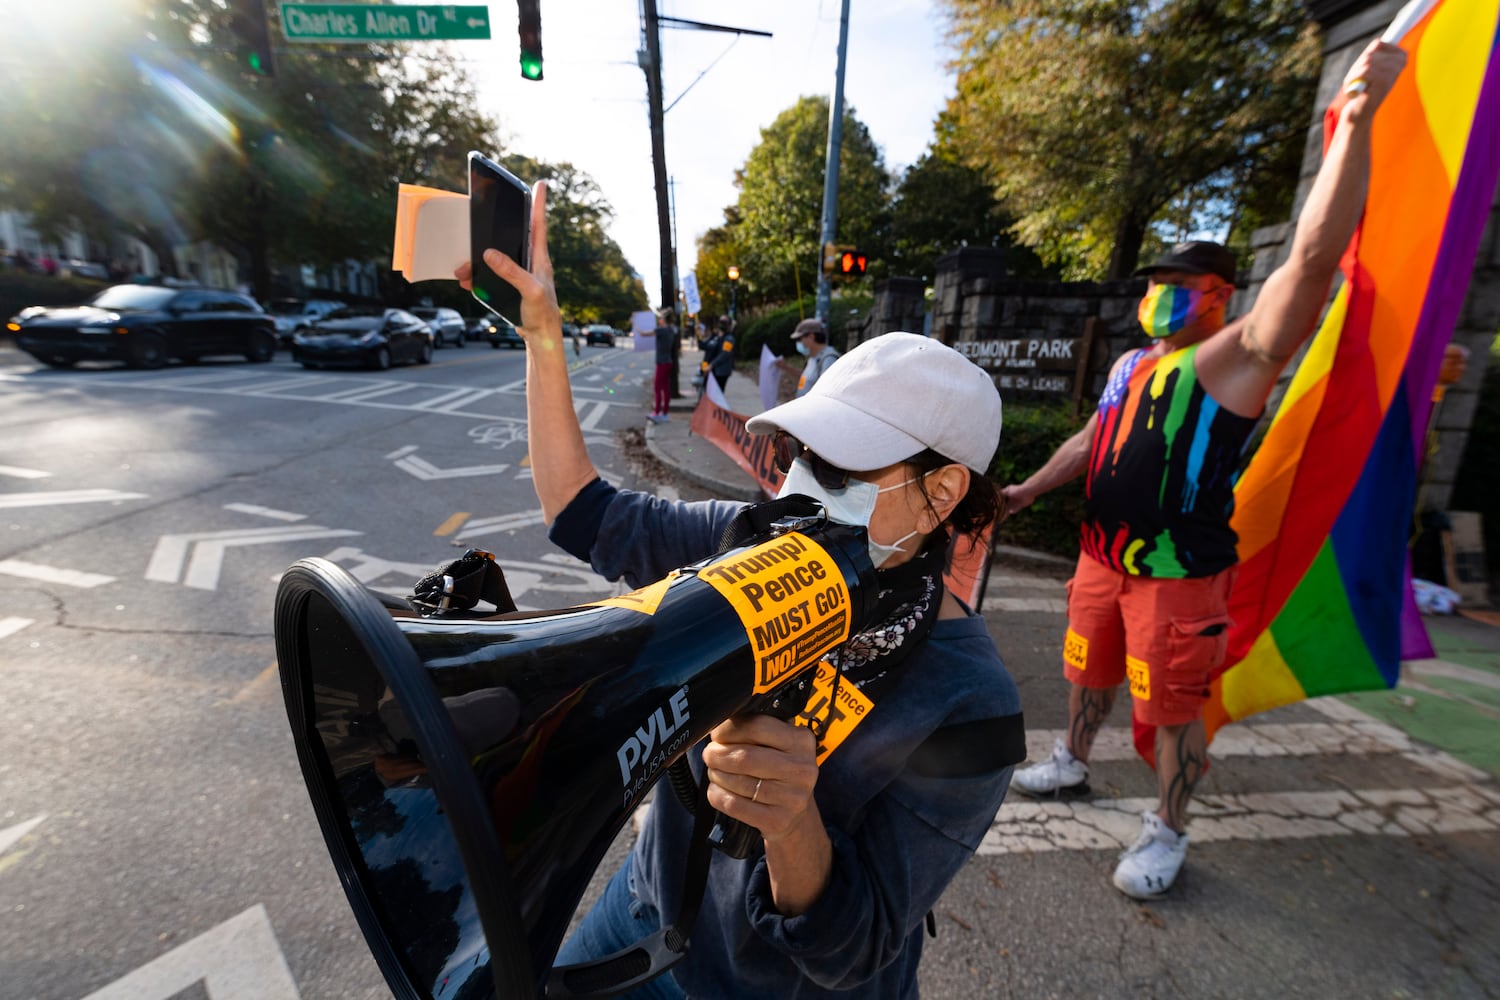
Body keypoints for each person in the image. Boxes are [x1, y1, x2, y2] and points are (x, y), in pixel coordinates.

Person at [457, 189, 1021, 998]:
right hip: (646, 912)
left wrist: (791, 819)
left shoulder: (971, 703)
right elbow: (584, 512)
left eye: (840, 467)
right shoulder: (743, 545)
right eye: (798, 451)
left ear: (942, 494)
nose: (798, 487)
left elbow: (850, 948)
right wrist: (544, 338)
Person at [999, 38, 1407, 900]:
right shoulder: (1132, 363)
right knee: (1085, 670)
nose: (1163, 291)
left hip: (1178, 577)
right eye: (1158, 279)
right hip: (1101, 561)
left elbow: (1309, 260)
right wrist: (1030, 489)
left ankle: (1168, 827)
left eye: (1182, 281)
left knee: (1173, 710)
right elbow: (1093, 443)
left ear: (1220, 294)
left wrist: (1358, 118)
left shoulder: (1235, 357)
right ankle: (1072, 758)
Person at [776, 318, 842, 399]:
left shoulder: (828, 359)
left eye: (800, 339)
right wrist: (785, 367)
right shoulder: (813, 358)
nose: (799, 343)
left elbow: (828, 392)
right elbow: (806, 378)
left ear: (811, 337)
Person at [650, 307, 677, 423]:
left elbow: (644, 333)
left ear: (663, 319)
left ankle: (657, 413)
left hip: (661, 362)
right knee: (665, 388)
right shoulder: (671, 330)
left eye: (660, 318)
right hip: (668, 361)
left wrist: (635, 326)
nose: (658, 320)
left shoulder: (661, 330)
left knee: (657, 387)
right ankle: (664, 413)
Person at [702, 315, 736, 393]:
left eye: (724, 322)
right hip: (713, 370)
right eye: (720, 322)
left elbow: (725, 354)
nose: (721, 325)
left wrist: (711, 365)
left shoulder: (729, 338)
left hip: (721, 371)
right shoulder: (716, 336)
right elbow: (705, 346)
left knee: (717, 393)